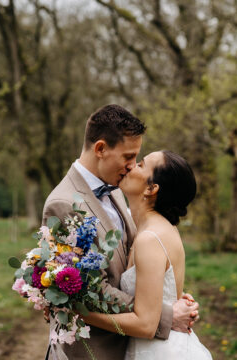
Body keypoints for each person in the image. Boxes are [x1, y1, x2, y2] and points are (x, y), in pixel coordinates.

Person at [42, 104, 199, 360]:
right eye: (128, 156)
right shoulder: (64, 204)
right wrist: (166, 312)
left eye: (137, 159)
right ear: (101, 149)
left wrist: (167, 296)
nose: (131, 165)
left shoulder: (116, 189)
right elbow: (90, 289)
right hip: (92, 352)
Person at [83, 150, 212, 359]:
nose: (131, 166)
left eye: (141, 165)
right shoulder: (158, 228)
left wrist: (82, 315)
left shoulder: (150, 238)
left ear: (152, 188)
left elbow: (145, 325)